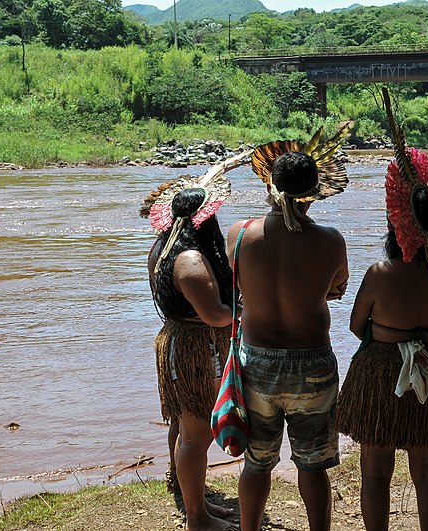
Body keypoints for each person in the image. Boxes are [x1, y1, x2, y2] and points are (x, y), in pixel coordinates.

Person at [336, 93, 428, 531]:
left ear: (397, 221)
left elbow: (357, 327)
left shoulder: (381, 271)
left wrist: (387, 337)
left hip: (381, 374)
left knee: (375, 471)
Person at [227, 128, 351, 531]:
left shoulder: (239, 235)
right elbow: (337, 288)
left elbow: (239, 284)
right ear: (315, 191)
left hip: (257, 362)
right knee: (313, 466)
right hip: (312, 361)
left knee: (257, 464)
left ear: (269, 183)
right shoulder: (332, 241)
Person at [142, 156, 250, 531]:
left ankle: (191, 496)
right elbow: (216, 315)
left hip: (180, 343)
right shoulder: (190, 259)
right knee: (196, 432)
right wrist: (249, 310)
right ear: (206, 221)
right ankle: (197, 517)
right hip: (194, 348)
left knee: (183, 424)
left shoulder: (163, 246)